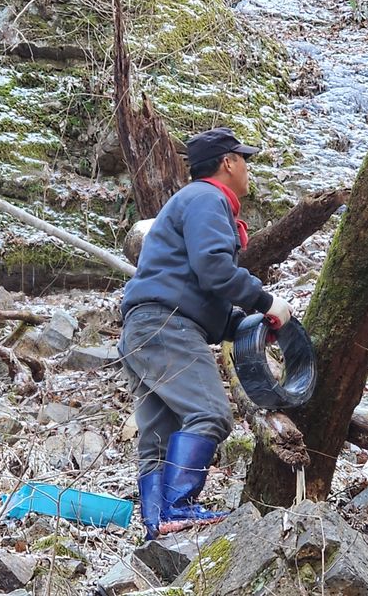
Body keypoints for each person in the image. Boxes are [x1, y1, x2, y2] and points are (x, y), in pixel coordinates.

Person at [118, 127, 292, 539]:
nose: (248, 168)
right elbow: (215, 270)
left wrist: (241, 326)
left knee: (157, 434)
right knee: (210, 413)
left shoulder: (190, 202)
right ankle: (179, 505)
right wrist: (265, 302)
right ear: (228, 162)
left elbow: (195, 287)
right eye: (244, 159)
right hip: (167, 326)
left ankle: (159, 521)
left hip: (145, 327)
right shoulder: (208, 199)